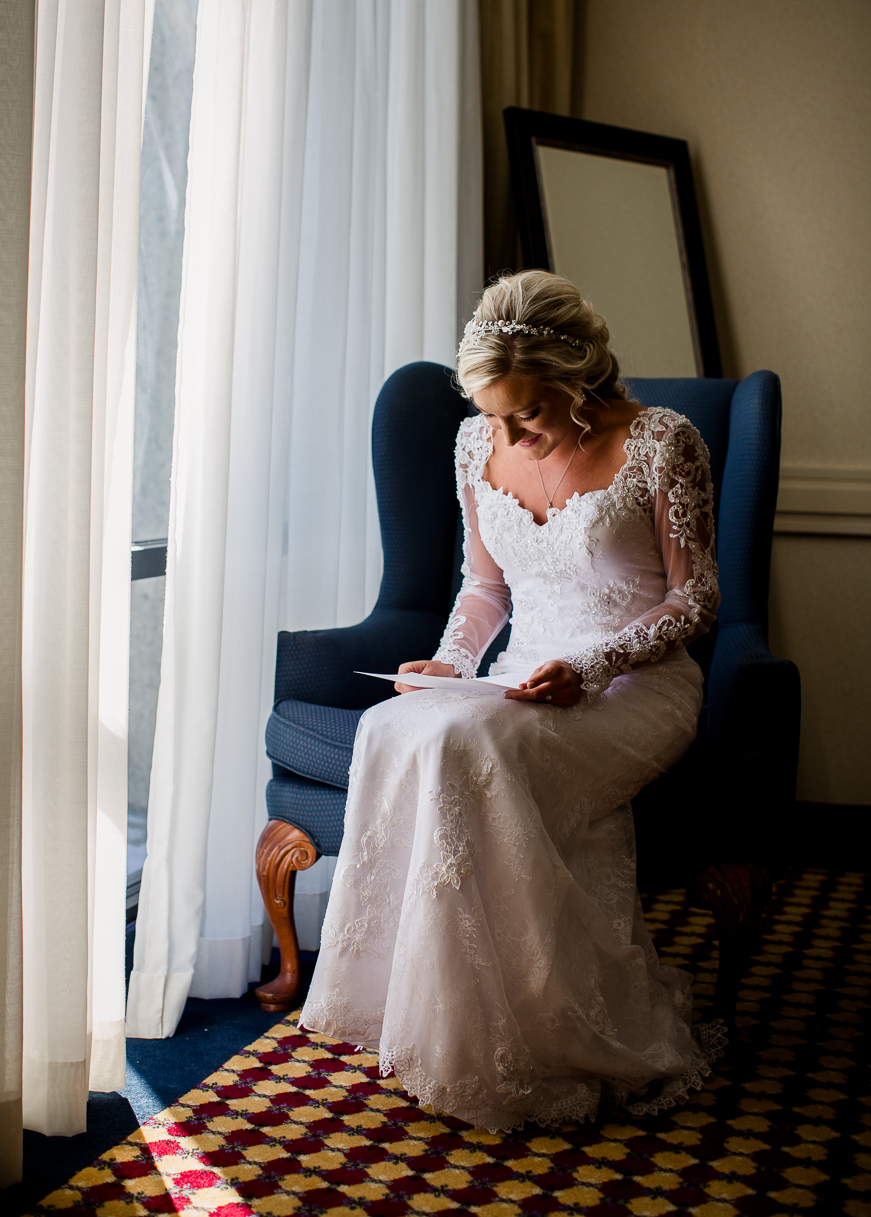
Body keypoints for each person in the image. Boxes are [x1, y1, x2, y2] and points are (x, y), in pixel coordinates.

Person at [300, 270, 724, 1131]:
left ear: (580, 383)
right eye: (493, 412)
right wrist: (453, 662)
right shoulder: (472, 445)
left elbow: (698, 598)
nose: (507, 433)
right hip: (515, 676)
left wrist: (595, 665)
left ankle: (550, 1030)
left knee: (474, 749)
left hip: (635, 688)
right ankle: (426, 1012)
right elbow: (483, 588)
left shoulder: (661, 442)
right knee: (392, 725)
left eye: (526, 414)